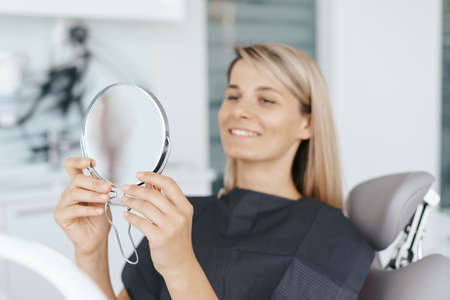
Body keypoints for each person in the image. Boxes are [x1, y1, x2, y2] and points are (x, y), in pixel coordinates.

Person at [54, 43, 374, 300]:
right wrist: (90, 251)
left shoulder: (333, 239)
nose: (240, 110)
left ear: (307, 123)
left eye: (266, 100)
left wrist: (180, 266)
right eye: (233, 95)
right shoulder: (182, 217)